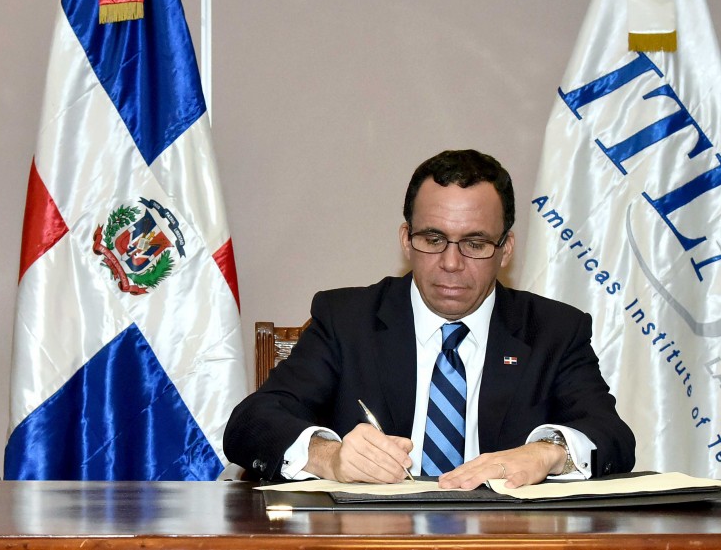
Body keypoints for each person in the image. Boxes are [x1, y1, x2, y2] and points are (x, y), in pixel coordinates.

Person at [223, 149, 634, 489]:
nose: (451, 263)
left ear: (506, 248)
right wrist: (330, 458)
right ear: (406, 240)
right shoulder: (347, 320)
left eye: (475, 243)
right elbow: (250, 423)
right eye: (433, 239)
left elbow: (613, 438)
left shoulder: (554, 330)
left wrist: (548, 452)